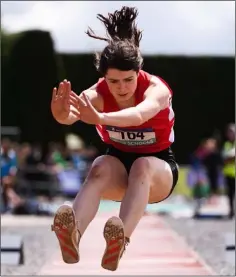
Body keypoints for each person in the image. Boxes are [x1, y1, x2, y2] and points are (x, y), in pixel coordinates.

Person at [50, 6, 178, 271]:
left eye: (128, 80)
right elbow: (74, 113)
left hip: (158, 171)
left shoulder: (156, 89)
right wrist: (61, 114)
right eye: (113, 81)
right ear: (104, 77)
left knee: (142, 166)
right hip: (117, 169)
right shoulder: (98, 92)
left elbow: (139, 115)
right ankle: (73, 234)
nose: (121, 88)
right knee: (99, 165)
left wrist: (100, 118)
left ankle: (120, 240)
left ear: (139, 72)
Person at [222, 123, 235, 219]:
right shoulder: (226, 144)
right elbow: (225, 159)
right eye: (230, 132)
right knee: (230, 194)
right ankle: (231, 211)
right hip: (229, 174)